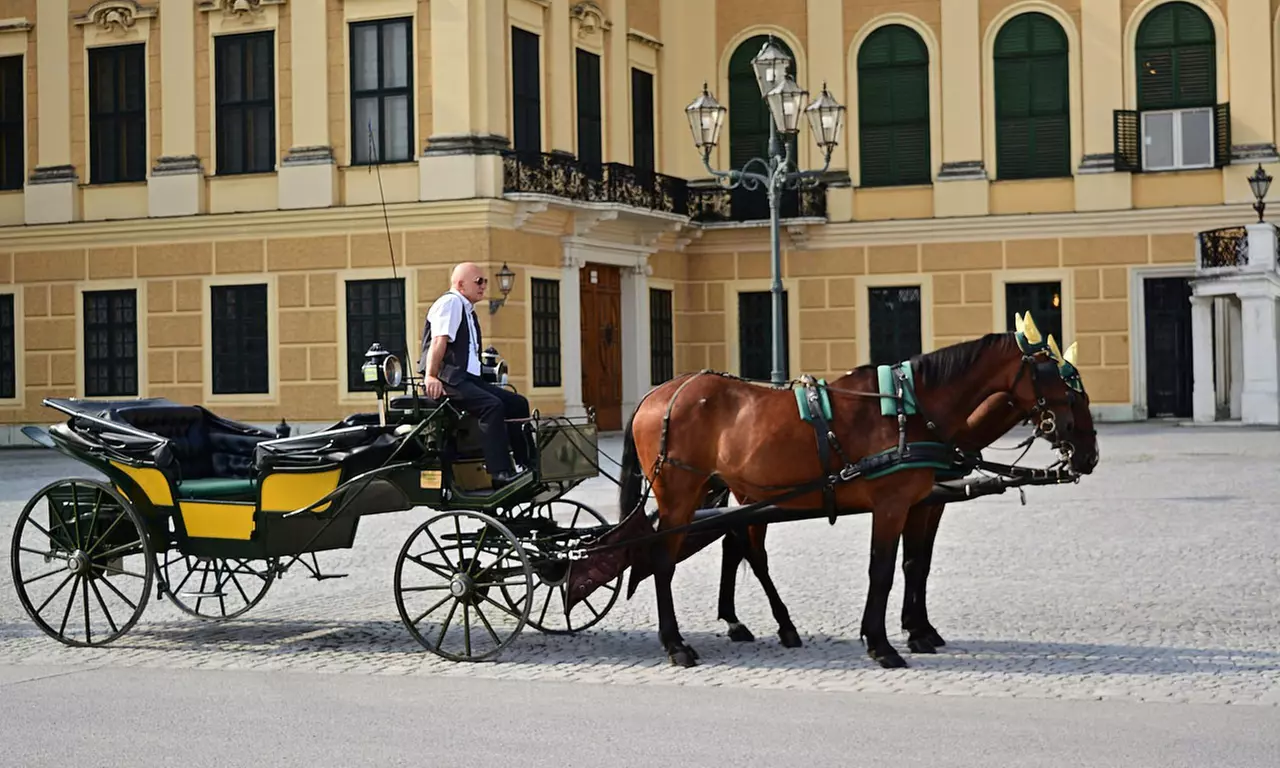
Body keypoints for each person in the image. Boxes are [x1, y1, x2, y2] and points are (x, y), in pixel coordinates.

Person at [418, 262, 532, 488]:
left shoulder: (467, 310)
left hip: (467, 378)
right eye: (478, 281)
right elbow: (439, 341)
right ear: (460, 285)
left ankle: (527, 463)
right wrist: (430, 376)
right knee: (492, 406)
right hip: (448, 378)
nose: (483, 286)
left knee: (517, 403)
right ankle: (500, 472)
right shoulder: (450, 303)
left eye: (485, 281)